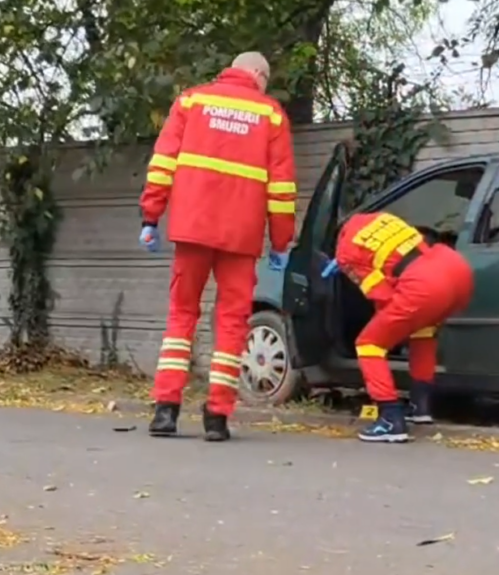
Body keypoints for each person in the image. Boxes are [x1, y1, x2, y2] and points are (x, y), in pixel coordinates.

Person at [138, 52, 297, 442]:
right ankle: (217, 417)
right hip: (240, 237)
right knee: (231, 323)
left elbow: (162, 163)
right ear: (258, 74)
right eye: (266, 79)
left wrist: (150, 217)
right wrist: (280, 241)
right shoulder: (271, 115)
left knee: (181, 317)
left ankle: (165, 410)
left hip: (192, 228)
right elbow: (281, 187)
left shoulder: (192, 102)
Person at [321, 212, 474, 443]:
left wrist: (388, 330)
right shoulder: (383, 219)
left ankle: (391, 419)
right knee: (423, 333)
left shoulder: (346, 252)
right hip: (454, 269)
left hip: (423, 284)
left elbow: (381, 295)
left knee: (369, 344)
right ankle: (420, 408)